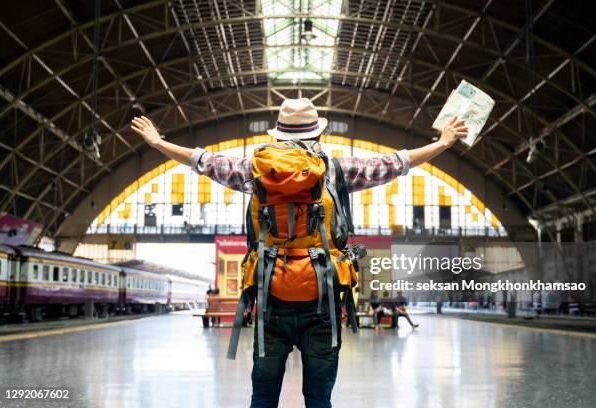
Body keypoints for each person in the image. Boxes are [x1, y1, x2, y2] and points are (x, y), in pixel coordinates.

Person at [131, 98, 467, 408]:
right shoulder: (337, 170)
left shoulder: (254, 171)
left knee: (263, 398)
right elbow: (396, 163)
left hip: (270, 301)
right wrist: (443, 142)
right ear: (318, 133)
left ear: (277, 135)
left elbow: (203, 161)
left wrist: (158, 142)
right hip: (323, 303)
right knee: (318, 399)